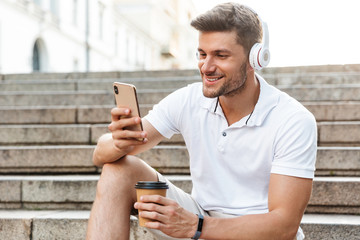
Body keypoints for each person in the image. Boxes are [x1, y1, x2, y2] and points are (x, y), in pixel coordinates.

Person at [86, 2, 317, 240]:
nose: (206, 67)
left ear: (255, 59)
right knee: (118, 170)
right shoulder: (189, 99)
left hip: (255, 233)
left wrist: (196, 226)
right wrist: (118, 141)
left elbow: (284, 226)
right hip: (200, 221)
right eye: (202, 54)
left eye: (221, 55)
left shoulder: (293, 120)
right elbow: (99, 156)